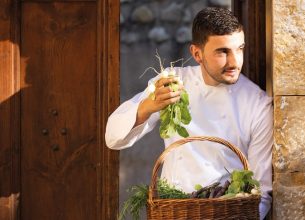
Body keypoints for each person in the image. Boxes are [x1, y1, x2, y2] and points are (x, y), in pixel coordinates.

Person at [105, 7, 272, 219]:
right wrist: (147, 106)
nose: (234, 62)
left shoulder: (258, 104)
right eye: (222, 52)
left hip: (225, 213)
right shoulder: (173, 82)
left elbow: (263, 192)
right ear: (197, 53)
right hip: (174, 210)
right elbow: (112, 138)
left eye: (239, 49)